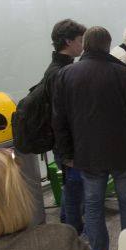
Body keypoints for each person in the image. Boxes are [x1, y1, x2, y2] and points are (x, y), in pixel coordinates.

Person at [53, 26, 126, 250]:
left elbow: (59, 120)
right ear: (108, 46)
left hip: (87, 156)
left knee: (93, 208)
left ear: (86, 45)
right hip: (124, 154)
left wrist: (66, 154)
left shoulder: (67, 75)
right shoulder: (121, 74)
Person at [46, 18, 88, 234]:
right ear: (68, 42)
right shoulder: (59, 73)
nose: (83, 44)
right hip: (68, 143)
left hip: (68, 141)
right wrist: (68, 153)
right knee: (74, 188)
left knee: (72, 187)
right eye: (80, 40)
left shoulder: (62, 68)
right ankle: (73, 234)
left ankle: (67, 224)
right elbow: (61, 118)